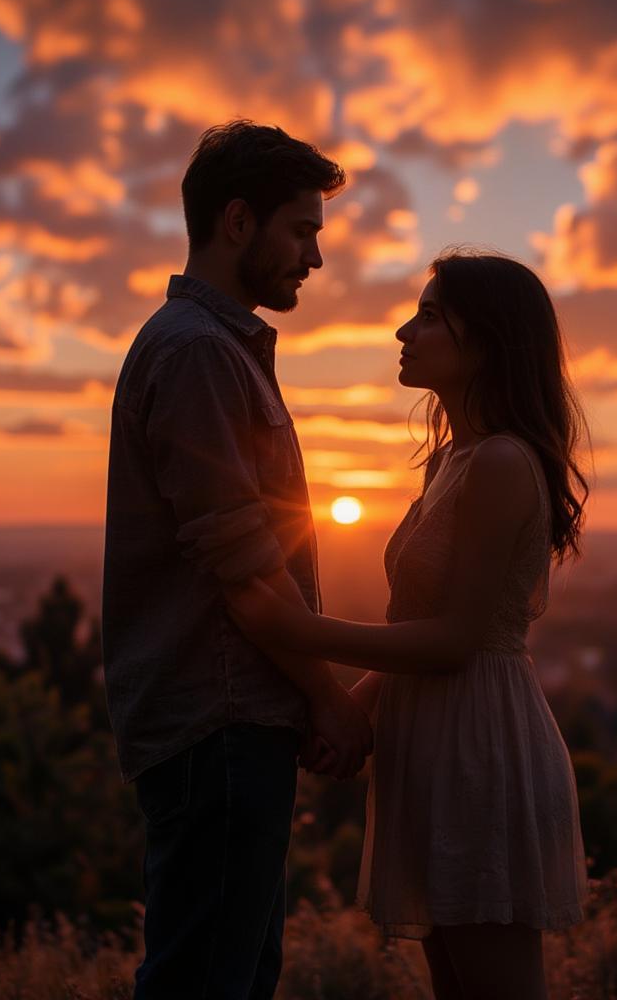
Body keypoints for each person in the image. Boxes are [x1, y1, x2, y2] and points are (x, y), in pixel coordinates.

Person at [227, 250, 591, 1000]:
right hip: (431, 741)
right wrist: (353, 705)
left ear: (485, 340)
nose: (403, 330)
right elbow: (415, 624)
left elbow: (455, 641)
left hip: (481, 745)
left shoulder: (501, 464)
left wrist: (298, 629)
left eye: (428, 316)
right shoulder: (451, 461)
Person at [101, 120, 373, 1000]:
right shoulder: (198, 354)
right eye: (304, 232)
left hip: (230, 721)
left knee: (238, 974)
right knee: (206, 984)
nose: (316, 260)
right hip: (216, 722)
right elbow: (248, 573)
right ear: (238, 222)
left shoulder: (219, 349)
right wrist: (327, 696)